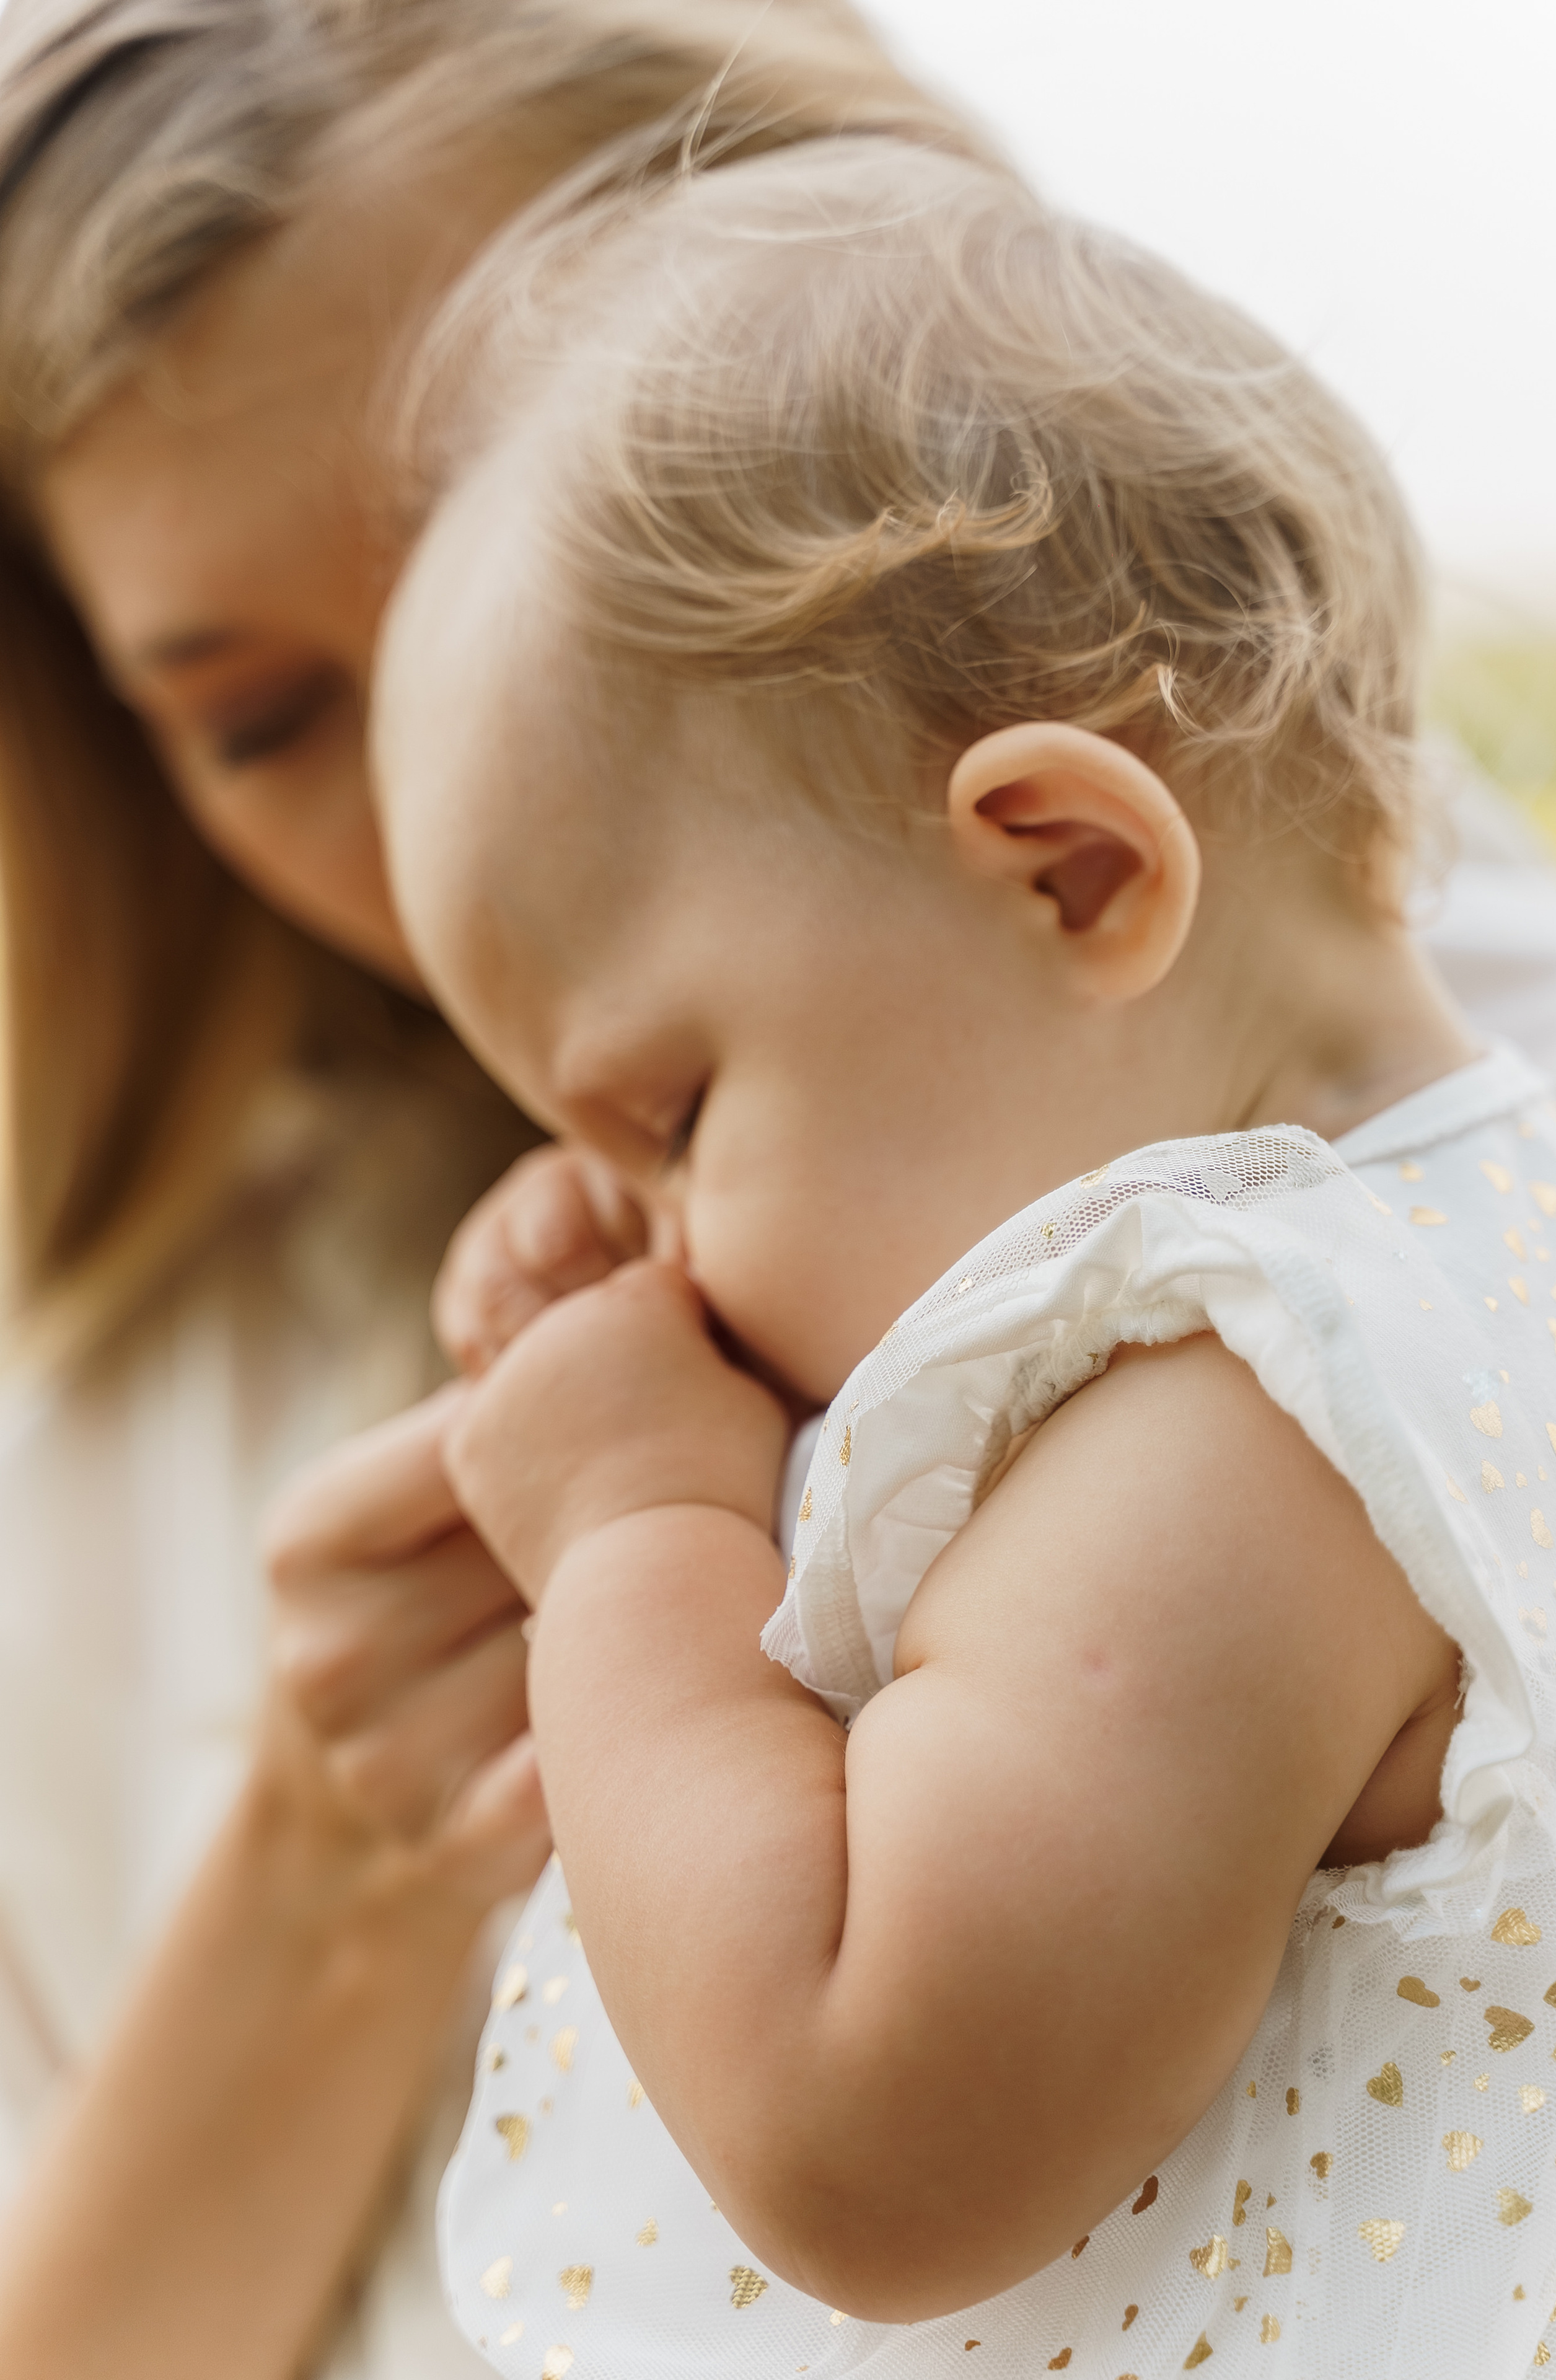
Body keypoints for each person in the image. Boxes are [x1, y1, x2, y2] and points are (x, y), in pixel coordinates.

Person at [361, 139, 1556, 2373]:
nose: (654, 1250)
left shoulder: (1241, 1417)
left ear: (1066, 877)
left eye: (669, 1112)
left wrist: (635, 1525)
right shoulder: (1497, 1234)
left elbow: (859, 2127)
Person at [0, 9, 980, 2378]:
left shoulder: (1472, 1186)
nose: (440, 820)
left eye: (520, 558)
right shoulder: (142, 1376)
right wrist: (328, 1864)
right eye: (256, 717)